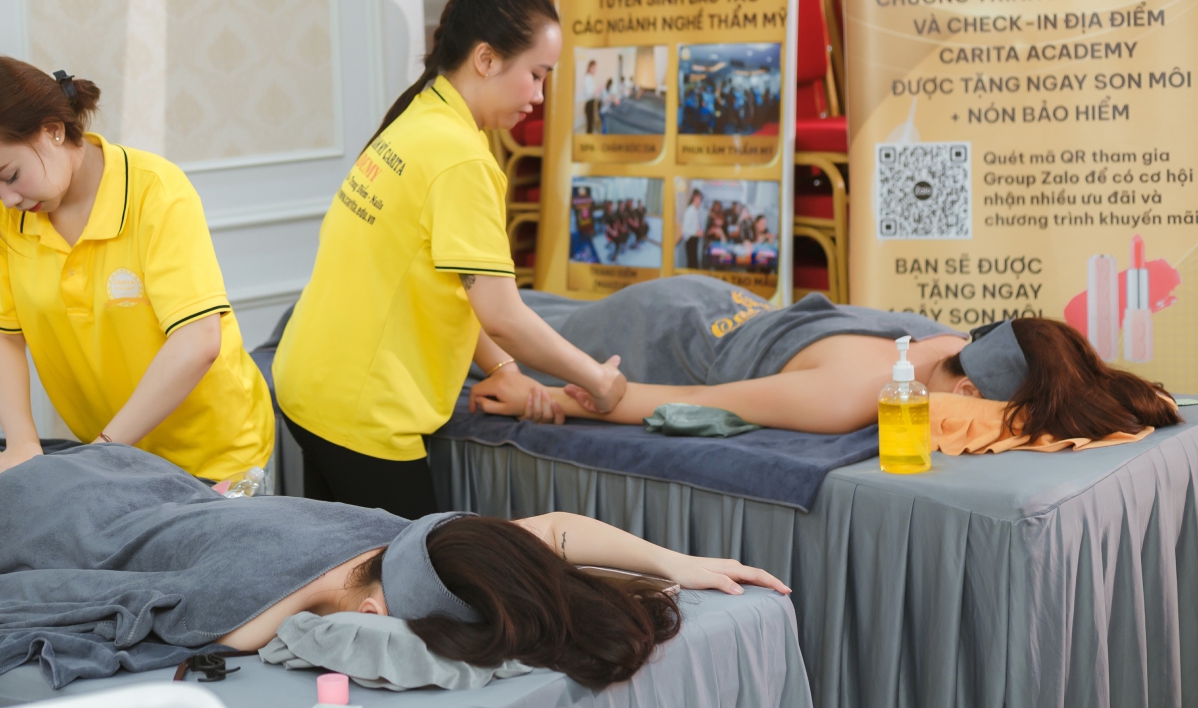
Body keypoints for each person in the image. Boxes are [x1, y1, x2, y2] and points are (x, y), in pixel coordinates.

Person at [0, 405, 788, 689]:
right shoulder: (263, 611)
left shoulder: (416, 541)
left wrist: (678, 565)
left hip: (146, 482)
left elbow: (555, 535)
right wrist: (674, 565)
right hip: (98, 513)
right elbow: (169, 622)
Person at [271, 0, 629, 518]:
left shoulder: (420, 117)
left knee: (342, 564)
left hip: (308, 382)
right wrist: (598, 379)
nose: (539, 97)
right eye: (536, 75)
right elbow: (503, 316)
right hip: (361, 410)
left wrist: (504, 370)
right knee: (411, 568)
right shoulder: (461, 159)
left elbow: (453, 284)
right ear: (485, 59)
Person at [0, 57, 274, 485]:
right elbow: (2, 336)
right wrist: (22, 442)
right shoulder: (14, 217)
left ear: (53, 131)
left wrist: (103, 450)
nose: (6, 198)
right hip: (116, 457)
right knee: (19, 485)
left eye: (10, 175)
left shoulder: (155, 193)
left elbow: (198, 342)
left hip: (216, 459)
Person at [474, 276, 1184, 440]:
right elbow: (677, 403)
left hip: (715, 299)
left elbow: (1073, 383)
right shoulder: (848, 394)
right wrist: (539, 394)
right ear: (967, 391)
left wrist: (1135, 398)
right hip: (657, 332)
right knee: (486, 324)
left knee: (529, 304)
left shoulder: (949, 342)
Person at [582, 59, 599, 134]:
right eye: (594, 68)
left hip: (591, 103)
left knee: (591, 124)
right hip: (589, 104)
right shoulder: (587, 78)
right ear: (590, 67)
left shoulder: (590, 78)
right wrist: (598, 89)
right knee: (589, 126)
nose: (595, 70)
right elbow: (589, 93)